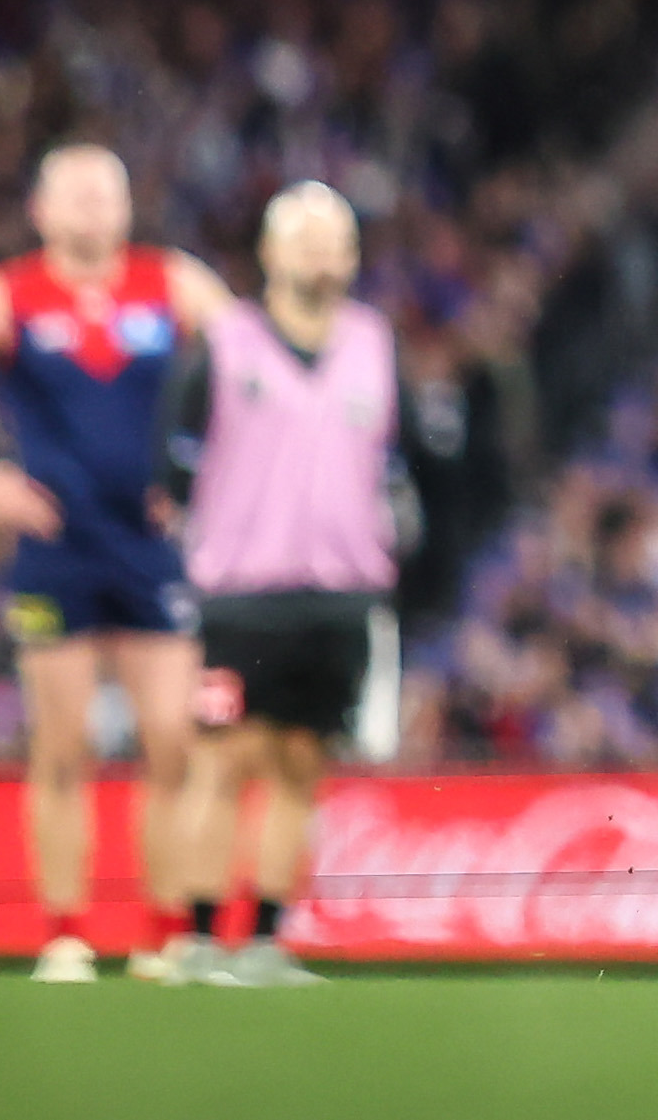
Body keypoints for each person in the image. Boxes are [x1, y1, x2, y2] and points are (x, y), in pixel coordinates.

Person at [0, 143, 235, 985]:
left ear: (127, 204)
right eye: (72, 191)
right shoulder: (3, 295)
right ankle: (65, 935)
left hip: (153, 545)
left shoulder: (173, 282)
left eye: (105, 190)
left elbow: (253, 372)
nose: (90, 205)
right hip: (56, 547)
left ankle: (167, 935)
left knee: (173, 746)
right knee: (61, 749)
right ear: (39, 210)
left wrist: (202, 474)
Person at [170, 180, 401, 990]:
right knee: (224, 760)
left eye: (334, 236)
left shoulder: (375, 342)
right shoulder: (226, 344)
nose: (319, 251)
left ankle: (266, 940)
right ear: (267, 253)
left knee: (302, 763)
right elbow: (173, 462)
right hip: (243, 591)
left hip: (339, 593)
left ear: (353, 255)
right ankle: (198, 939)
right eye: (302, 236)